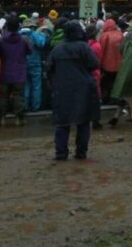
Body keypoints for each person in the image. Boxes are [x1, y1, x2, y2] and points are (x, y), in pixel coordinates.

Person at [47, 20, 100, 160]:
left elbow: (49, 68)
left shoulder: (57, 49)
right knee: (83, 121)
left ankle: (61, 153)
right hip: (83, 88)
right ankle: (81, 152)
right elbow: (94, 64)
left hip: (62, 89)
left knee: (62, 123)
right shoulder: (84, 47)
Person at [0, 18, 31, 125]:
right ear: (18, 27)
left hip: (4, 71)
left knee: (3, 96)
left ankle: (2, 118)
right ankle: (19, 118)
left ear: (7, 27)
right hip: (19, 71)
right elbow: (29, 51)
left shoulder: (1, 40)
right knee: (19, 95)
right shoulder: (23, 39)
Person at [97, 17, 124, 103]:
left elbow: (101, 50)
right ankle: (115, 98)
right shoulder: (120, 34)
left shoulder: (104, 36)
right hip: (119, 64)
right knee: (116, 82)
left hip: (107, 64)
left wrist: (99, 63)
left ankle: (106, 98)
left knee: (106, 82)